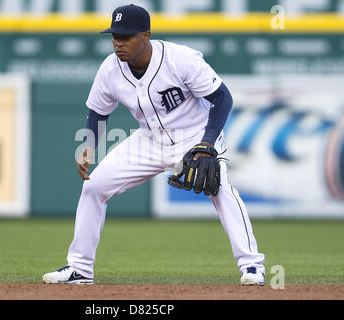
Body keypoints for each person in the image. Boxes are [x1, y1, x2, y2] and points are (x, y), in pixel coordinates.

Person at [43, 4, 265, 286]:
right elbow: (98, 111)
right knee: (94, 186)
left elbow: (222, 98)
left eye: (125, 36)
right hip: (148, 140)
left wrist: (207, 143)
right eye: (114, 36)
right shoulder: (110, 69)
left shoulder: (180, 59)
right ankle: (80, 268)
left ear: (145, 35)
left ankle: (252, 267)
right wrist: (89, 145)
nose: (118, 43)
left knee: (221, 189)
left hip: (193, 137)